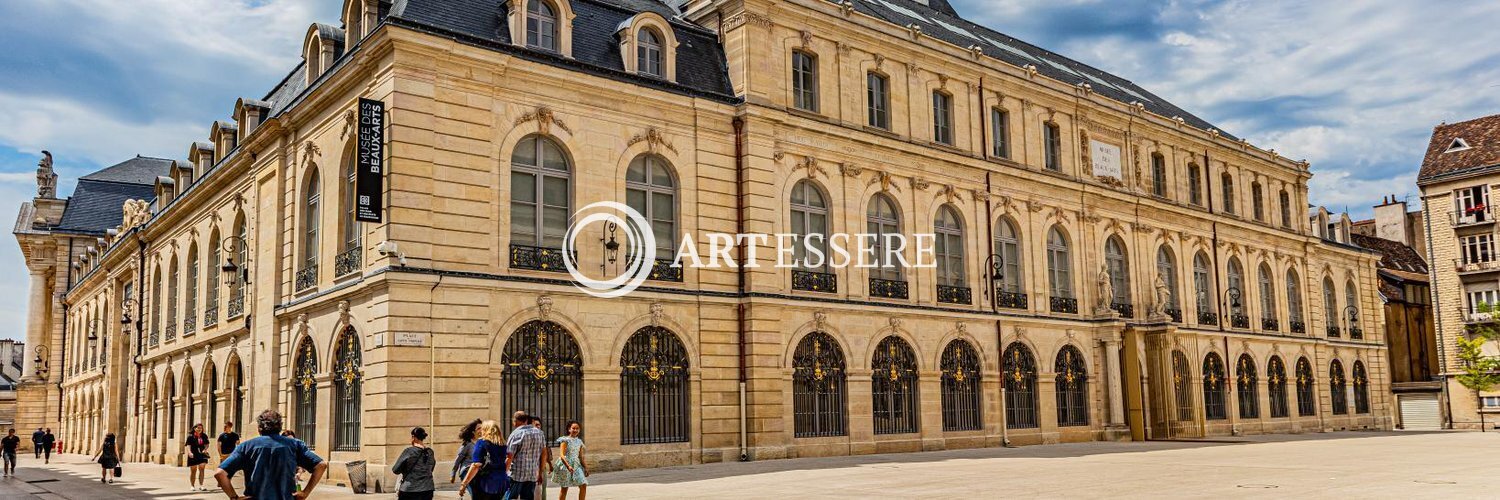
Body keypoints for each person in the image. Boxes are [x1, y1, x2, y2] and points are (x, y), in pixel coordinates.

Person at [212, 409, 328, 500]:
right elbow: (321, 465)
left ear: (259, 428)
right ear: (280, 426)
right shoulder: (295, 445)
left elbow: (220, 473)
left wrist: (234, 497)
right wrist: (305, 493)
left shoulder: (246, 447)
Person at [458, 420, 508, 500]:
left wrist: (464, 483)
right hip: (501, 482)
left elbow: (476, 465)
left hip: (486, 482)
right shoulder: (503, 445)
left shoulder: (482, 442)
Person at [505, 411, 547, 500]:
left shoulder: (516, 434)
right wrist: (540, 472)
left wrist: (504, 472)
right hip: (532, 474)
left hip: (516, 474)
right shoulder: (540, 433)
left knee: (511, 497)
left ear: (515, 421)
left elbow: (509, 456)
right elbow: (544, 454)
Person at [392, 427, 436, 500]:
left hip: (410, 490)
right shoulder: (430, 452)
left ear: (413, 437)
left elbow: (395, 469)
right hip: (428, 489)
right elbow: (431, 468)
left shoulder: (409, 451)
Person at [553, 421, 588, 500]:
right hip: (566, 465)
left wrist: (586, 467)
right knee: (565, 488)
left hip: (576, 465)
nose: (575, 430)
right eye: (573, 428)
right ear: (569, 429)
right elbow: (561, 455)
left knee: (583, 485)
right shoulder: (565, 440)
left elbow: (580, 457)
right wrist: (568, 466)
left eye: (577, 428)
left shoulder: (579, 441)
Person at [451, 418, 482, 483]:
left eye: (482, 428)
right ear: (473, 432)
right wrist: (453, 474)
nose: (481, 430)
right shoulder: (468, 444)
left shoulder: (482, 443)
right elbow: (458, 460)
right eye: (479, 428)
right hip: (466, 471)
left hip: (477, 472)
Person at [185, 423, 212, 491]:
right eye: (198, 428)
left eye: (201, 428)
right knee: (193, 470)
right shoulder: (190, 436)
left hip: (202, 454)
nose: (200, 429)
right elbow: (188, 445)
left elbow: (207, 444)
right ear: (195, 428)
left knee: (202, 469)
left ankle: (201, 485)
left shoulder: (204, 436)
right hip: (193, 454)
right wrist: (189, 452)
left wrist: (205, 449)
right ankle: (192, 485)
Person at [530, 417, 551, 500]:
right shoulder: (528, 438)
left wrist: (549, 464)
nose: (538, 426)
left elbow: (545, 454)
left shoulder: (541, 436)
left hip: (542, 467)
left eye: (539, 425)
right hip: (532, 468)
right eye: (536, 425)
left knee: (543, 488)